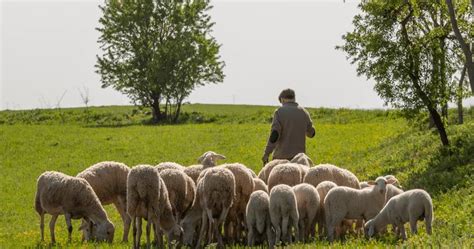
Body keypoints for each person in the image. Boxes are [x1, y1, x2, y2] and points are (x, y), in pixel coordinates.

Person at [262, 88, 316, 165]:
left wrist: (266, 153)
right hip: (299, 160)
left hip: (281, 159)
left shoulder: (279, 112)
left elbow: (275, 135)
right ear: (294, 98)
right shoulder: (304, 112)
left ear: (282, 99)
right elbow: (312, 134)